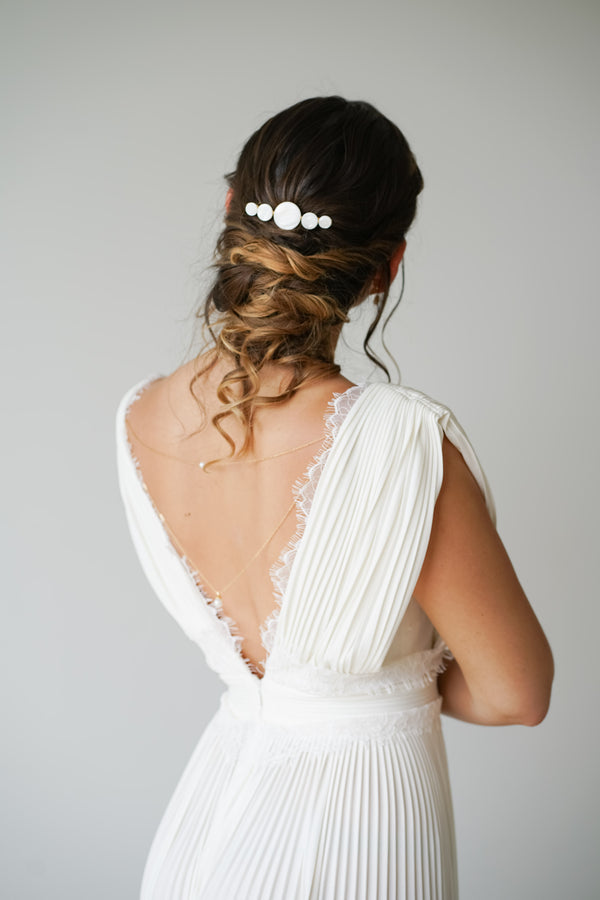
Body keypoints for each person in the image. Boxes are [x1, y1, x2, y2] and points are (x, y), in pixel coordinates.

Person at [115, 96, 553, 899]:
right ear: (387, 267)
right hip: (364, 827)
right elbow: (514, 693)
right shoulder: (397, 442)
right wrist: (382, 686)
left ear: (230, 211)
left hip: (208, 819)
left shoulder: (138, 414)